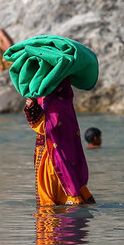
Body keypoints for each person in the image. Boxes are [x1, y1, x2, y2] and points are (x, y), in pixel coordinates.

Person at [24, 78, 95, 206]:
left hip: (50, 156)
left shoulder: (53, 103)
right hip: (67, 156)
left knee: (49, 200)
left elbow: (46, 128)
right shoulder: (66, 100)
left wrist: (32, 108)